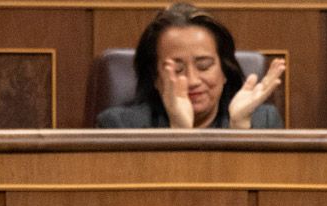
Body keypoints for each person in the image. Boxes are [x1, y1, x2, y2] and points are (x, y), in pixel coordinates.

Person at [97, 3, 284, 129]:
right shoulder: (120, 126)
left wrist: (240, 130)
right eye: (177, 70)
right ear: (155, 77)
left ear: (224, 70)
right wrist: (179, 132)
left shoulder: (262, 122)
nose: (193, 81)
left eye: (204, 66)